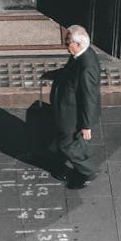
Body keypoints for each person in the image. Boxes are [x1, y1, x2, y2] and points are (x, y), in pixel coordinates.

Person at [41, 24, 101, 189]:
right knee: (64, 140)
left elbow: (89, 97)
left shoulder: (87, 67)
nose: (66, 47)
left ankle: (88, 171)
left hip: (72, 116)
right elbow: (69, 73)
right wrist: (54, 74)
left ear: (78, 44)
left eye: (68, 44)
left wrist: (86, 125)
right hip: (65, 110)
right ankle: (60, 162)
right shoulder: (80, 56)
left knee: (69, 145)